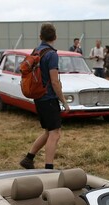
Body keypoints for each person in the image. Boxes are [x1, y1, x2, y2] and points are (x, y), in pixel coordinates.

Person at [19, 23, 69, 171]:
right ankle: (49, 168)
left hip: (39, 97)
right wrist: (64, 101)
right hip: (49, 98)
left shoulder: (37, 51)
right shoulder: (51, 54)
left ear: (40, 36)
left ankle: (29, 158)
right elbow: (54, 81)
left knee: (48, 131)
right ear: (55, 37)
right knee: (55, 133)